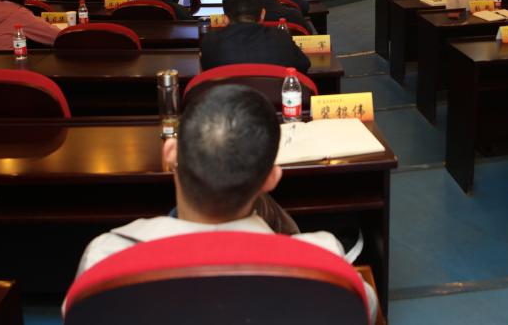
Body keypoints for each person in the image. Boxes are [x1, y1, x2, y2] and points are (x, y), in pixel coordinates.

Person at [74, 84, 377, 320]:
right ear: (271, 179)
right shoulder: (325, 264)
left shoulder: (103, 260)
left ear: (170, 154)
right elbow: (366, 309)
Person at [200, 0, 310, 72]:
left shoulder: (211, 42)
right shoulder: (282, 38)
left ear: (225, 18)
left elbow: (208, 73)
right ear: (262, 14)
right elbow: (304, 65)